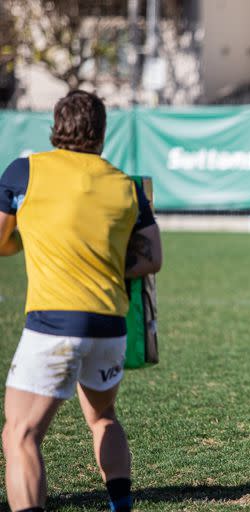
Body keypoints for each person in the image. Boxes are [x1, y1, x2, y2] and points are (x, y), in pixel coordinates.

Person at [0, 90, 162, 511]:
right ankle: (121, 506)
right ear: (102, 134)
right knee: (102, 418)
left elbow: (0, 239)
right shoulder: (126, 186)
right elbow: (151, 258)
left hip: (54, 324)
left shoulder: (25, 171)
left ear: (56, 126)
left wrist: (25, 240)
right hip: (109, 326)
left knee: (19, 434)